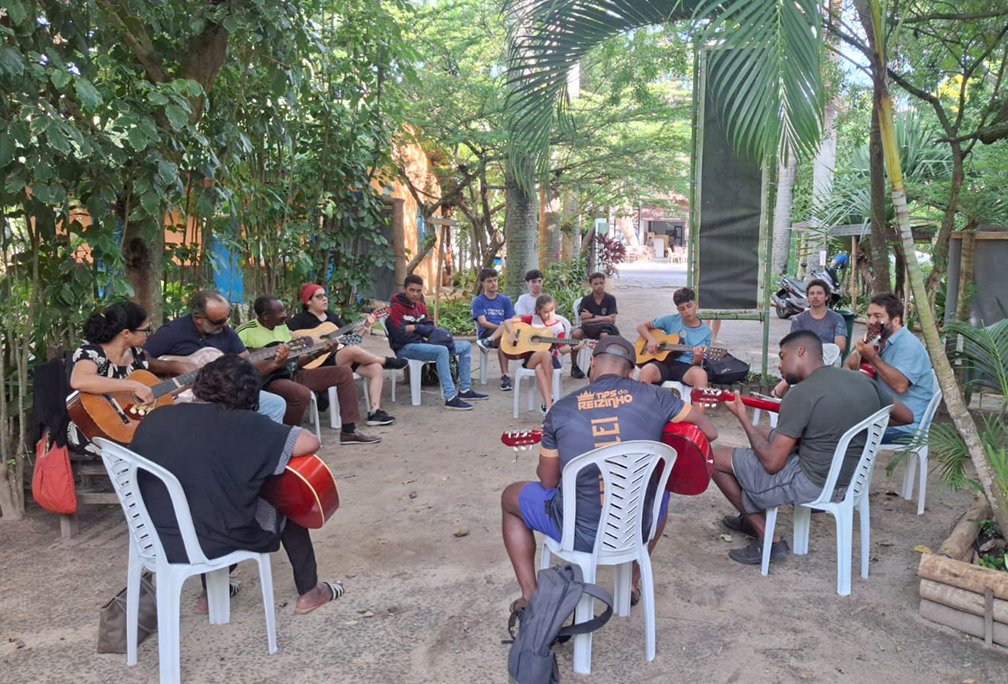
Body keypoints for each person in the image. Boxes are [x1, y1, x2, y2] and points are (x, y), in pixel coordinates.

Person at [501, 336, 717, 617]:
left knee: (510, 497)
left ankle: (530, 595)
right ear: (631, 373)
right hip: (635, 527)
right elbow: (709, 432)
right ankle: (632, 581)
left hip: (577, 533)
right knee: (661, 489)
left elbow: (548, 482)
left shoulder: (561, 410)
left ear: (592, 364)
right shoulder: (657, 397)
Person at [131, 354, 343, 615]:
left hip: (154, 539)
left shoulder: (156, 418)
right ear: (251, 392)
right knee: (284, 503)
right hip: (213, 540)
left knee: (203, 500)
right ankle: (311, 591)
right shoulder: (249, 425)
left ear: (200, 384)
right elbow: (309, 442)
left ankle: (211, 595)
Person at [712, 330, 913, 564]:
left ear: (800, 352)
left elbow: (772, 464)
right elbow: (906, 416)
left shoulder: (802, 394)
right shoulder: (862, 380)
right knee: (768, 435)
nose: (779, 366)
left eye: (782, 357)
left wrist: (743, 418)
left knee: (714, 457)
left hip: (815, 483)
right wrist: (864, 425)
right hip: (850, 480)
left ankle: (770, 539)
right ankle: (749, 516)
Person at [235, 296, 383, 442]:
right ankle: (285, 439)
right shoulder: (245, 331)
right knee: (301, 394)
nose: (285, 315)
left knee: (343, 373)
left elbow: (296, 362)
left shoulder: (282, 328)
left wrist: (320, 352)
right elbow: (237, 362)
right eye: (280, 312)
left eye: (284, 311)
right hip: (268, 380)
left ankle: (349, 431)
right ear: (265, 316)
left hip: (291, 373)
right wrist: (267, 361)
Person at [143, 290, 287, 424]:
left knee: (276, 404)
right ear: (198, 318)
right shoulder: (173, 331)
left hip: (224, 394)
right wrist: (175, 366)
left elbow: (247, 367)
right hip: (184, 398)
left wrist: (275, 364)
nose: (225, 324)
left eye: (226, 318)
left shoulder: (227, 333)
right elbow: (143, 358)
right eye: (217, 321)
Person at [287, 283, 409, 423]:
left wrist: (366, 325)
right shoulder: (300, 319)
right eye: (319, 296)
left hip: (341, 357)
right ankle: (385, 360)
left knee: (375, 368)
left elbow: (352, 340)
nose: (325, 299)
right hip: (317, 361)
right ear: (308, 301)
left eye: (325, 295)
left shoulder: (331, 318)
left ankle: (375, 412)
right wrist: (313, 340)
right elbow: (284, 332)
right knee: (351, 351)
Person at [844, 292, 935, 442]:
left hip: (905, 426)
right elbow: (848, 365)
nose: (871, 321)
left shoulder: (909, 346)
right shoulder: (878, 339)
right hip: (880, 416)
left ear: (896, 320)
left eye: (878, 316)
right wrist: (859, 355)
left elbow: (900, 386)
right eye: (869, 316)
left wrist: (872, 358)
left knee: (839, 432)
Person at [388, 274, 488, 410]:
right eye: (412, 290)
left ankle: (465, 390)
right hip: (405, 348)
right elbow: (399, 335)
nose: (415, 294)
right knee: (441, 351)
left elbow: (430, 328)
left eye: (418, 290)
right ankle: (450, 397)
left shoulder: (420, 307)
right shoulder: (396, 308)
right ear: (404, 289)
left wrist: (415, 327)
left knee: (465, 346)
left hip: (423, 344)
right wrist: (421, 333)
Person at [67, 302, 155, 455]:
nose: (148, 334)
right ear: (126, 333)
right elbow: (79, 381)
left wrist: (188, 383)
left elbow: (147, 392)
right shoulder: (92, 352)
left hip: (131, 427)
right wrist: (132, 385)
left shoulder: (137, 354)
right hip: (90, 429)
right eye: (145, 330)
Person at [771, 278, 848, 398]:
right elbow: (794, 347)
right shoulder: (799, 319)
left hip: (829, 361)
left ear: (827, 296)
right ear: (807, 297)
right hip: (803, 360)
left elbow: (840, 346)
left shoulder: (837, 319)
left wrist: (816, 354)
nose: (815, 297)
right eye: (811, 293)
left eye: (819, 293)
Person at [502, 294, 578, 415]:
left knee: (540, 367)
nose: (549, 314)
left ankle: (548, 408)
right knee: (544, 354)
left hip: (551, 361)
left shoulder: (558, 327)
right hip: (531, 359)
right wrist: (512, 332)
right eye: (545, 312)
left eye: (552, 310)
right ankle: (551, 393)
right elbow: (507, 321)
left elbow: (562, 349)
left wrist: (574, 348)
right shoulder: (532, 319)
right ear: (538, 311)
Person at [636, 287, 711, 402]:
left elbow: (696, 364)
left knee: (701, 375)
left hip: (685, 367)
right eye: (682, 309)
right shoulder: (670, 320)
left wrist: (698, 357)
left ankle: (697, 417)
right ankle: (643, 410)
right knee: (646, 371)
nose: (686, 311)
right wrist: (651, 339)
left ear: (696, 304)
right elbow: (641, 327)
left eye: (689, 306)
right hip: (664, 363)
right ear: (678, 310)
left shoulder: (706, 332)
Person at [472, 268, 517, 391]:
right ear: (483, 284)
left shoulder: (505, 300)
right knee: (505, 332)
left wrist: (506, 327)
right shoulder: (478, 301)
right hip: (486, 334)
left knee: (505, 336)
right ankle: (489, 340)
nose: (493, 283)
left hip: (505, 335)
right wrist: (502, 327)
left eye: (495, 280)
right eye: (489, 281)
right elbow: (483, 323)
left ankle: (505, 376)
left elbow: (512, 319)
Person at [570, 272, 620, 379]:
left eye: (601, 283)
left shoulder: (610, 299)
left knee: (604, 337)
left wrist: (592, 316)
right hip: (588, 328)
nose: (599, 286)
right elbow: (584, 320)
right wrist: (604, 318)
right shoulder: (586, 299)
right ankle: (574, 366)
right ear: (591, 285)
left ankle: (594, 364)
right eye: (596, 284)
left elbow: (612, 319)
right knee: (575, 334)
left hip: (605, 328)